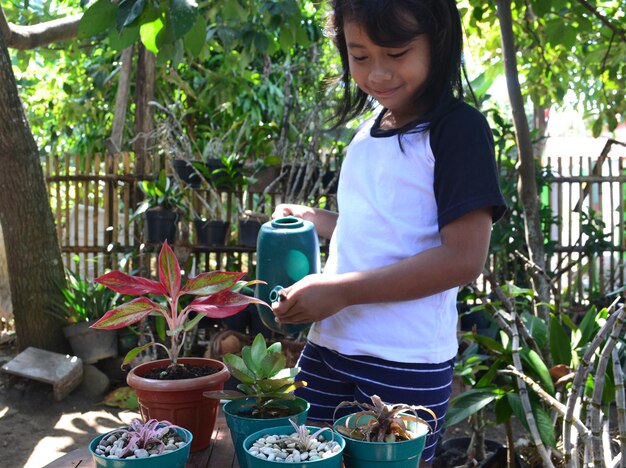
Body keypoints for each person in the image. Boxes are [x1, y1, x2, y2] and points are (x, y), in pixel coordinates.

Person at [271, 0, 507, 465]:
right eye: (360, 56)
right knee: (301, 456)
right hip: (329, 346)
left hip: (404, 361)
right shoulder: (367, 131)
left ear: (437, 43)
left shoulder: (457, 130)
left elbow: (463, 259)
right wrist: (320, 220)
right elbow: (386, 231)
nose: (377, 73)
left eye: (396, 53)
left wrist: (339, 291)